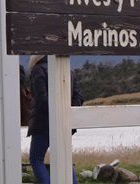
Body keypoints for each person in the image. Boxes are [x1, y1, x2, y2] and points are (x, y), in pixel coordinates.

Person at [27, 55, 83, 184]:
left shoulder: (38, 69)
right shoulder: (68, 70)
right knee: (65, 158)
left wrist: (55, 114)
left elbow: (41, 98)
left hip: (43, 123)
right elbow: (78, 96)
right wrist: (66, 114)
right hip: (65, 123)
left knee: (36, 158)